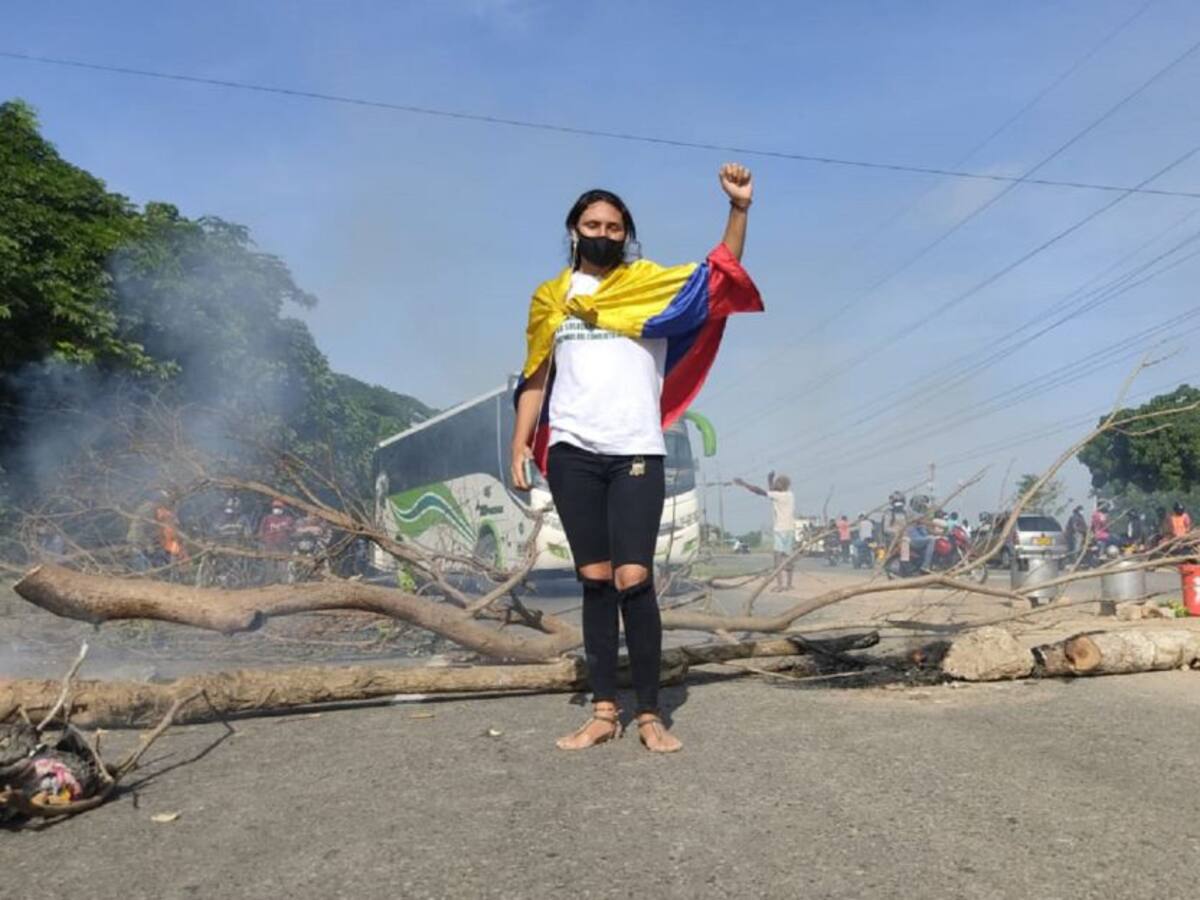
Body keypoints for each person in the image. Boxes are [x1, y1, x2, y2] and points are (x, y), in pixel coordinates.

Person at [510, 164, 762, 753]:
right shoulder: (551, 298)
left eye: (615, 225)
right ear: (574, 229)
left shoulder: (650, 285)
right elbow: (535, 378)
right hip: (573, 450)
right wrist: (521, 440)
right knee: (594, 580)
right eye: (593, 223)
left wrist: (739, 209)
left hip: (636, 449)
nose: (604, 231)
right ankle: (603, 710)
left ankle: (649, 713)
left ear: (628, 234)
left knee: (634, 577)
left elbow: (719, 275)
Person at [733, 473, 795, 591]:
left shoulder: (778, 496)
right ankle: (789, 584)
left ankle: (780, 585)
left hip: (780, 530)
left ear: (781, 485)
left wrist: (743, 484)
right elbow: (772, 493)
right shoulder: (790, 495)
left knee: (777, 557)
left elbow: (759, 491)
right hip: (790, 529)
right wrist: (770, 480)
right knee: (788, 557)